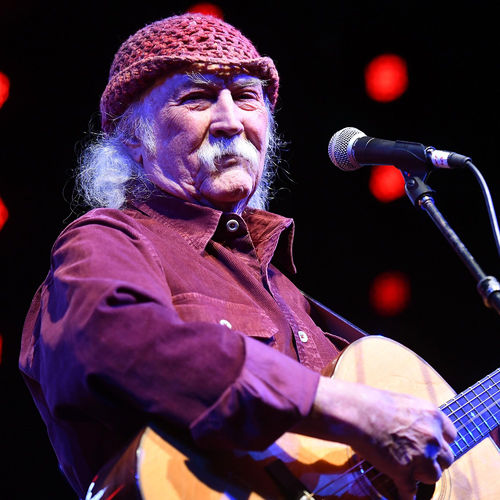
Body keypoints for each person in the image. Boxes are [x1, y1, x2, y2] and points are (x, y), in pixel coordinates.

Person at [19, 13, 456, 500]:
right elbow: (114, 342)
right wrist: (348, 408)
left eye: (247, 97)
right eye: (197, 97)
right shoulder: (109, 240)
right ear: (133, 140)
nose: (231, 121)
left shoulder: (286, 292)